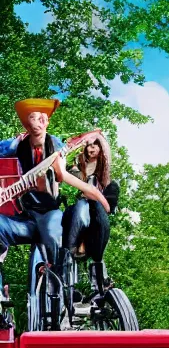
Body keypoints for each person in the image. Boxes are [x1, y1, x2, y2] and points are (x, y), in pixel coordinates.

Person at [0, 98, 110, 292]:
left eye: (43, 118)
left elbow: (63, 176)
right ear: (26, 123)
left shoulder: (57, 145)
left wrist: (96, 194)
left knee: (53, 235)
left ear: (48, 122)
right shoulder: (16, 145)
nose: (38, 122)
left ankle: (63, 288)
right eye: (33, 118)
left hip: (48, 214)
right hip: (22, 217)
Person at [62, 135, 119, 294]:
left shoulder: (110, 184)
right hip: (76, 222)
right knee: (81, 206)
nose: (91, 147)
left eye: (95, 144)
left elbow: (108, 208)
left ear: (102, 148)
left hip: (96, 226)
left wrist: (94, 196)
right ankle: (67, 279)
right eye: (88, 145)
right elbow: (63, 176)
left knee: (93, 207)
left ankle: (99, 284)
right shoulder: (75, 171)